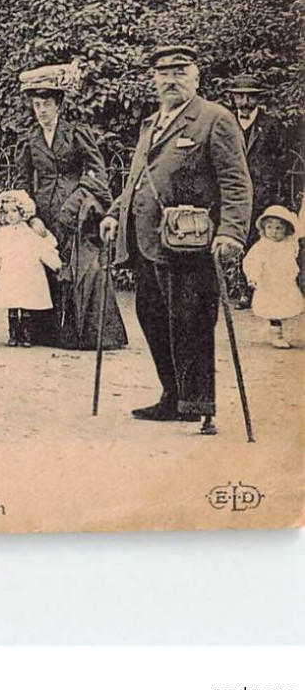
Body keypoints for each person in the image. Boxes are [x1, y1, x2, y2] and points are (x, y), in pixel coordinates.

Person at [101, 45, 253, 436]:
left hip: (191, 243)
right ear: (154, 80)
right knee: (152, 318)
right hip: (147, 241)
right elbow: (137, 178)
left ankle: (200, 405)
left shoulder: (214, 119)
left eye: (180, 71)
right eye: (163, 72)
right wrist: (115, 214)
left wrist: (232, 232)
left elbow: (236, 182)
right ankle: (173, 396)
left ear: (196, 77)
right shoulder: (151, 123)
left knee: (191, 321)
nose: (170, 79)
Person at [14, 62, 126, 350]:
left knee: (82, 269)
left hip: (78, 213)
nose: (41, 110)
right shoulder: (30, 140)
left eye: (47, 104)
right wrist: (30, 215)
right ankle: (44, 333)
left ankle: (88, 336)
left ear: (59, 105)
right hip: (44, 215)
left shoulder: (76, 133)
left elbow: (97, 173)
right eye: (37, 105)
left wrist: (77, 201)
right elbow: (22, 180)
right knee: (45, 267)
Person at [221, 74, 293, 308]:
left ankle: (259, 292)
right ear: (232, 98)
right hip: (232, 193)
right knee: (236, 238)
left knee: (258, 241)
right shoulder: (226, 123)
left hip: (262, 193)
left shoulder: (270, 125)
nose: (244, 102)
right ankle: (240, 289)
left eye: (249, 97)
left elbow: (282, 159)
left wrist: (270, 184)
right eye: (239, 96)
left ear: (257, 99)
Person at [0, 189, 62, 347]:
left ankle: (27, 335)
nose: (10, 215)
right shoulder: (0, 235)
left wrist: (56, 265)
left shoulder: (30, 234)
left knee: (27, 305)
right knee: (12, 305)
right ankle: (13, 334)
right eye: (6, 212)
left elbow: (42, 250)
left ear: (23, 212)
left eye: (14, 211)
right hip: (10, 275)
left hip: (28, 275)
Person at [242, 206, 302, 350]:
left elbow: (296, 240)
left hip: (284, 283)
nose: (274, 232)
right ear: (263, 228)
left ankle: (271, 328)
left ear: (286, 230)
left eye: (278, 228)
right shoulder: (262, 246)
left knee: (285, 308)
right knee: (274, 310)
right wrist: (253, 277)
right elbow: (252, 261)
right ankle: (277, 335)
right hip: (269, 283)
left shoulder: (288, 243)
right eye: (270, 227)